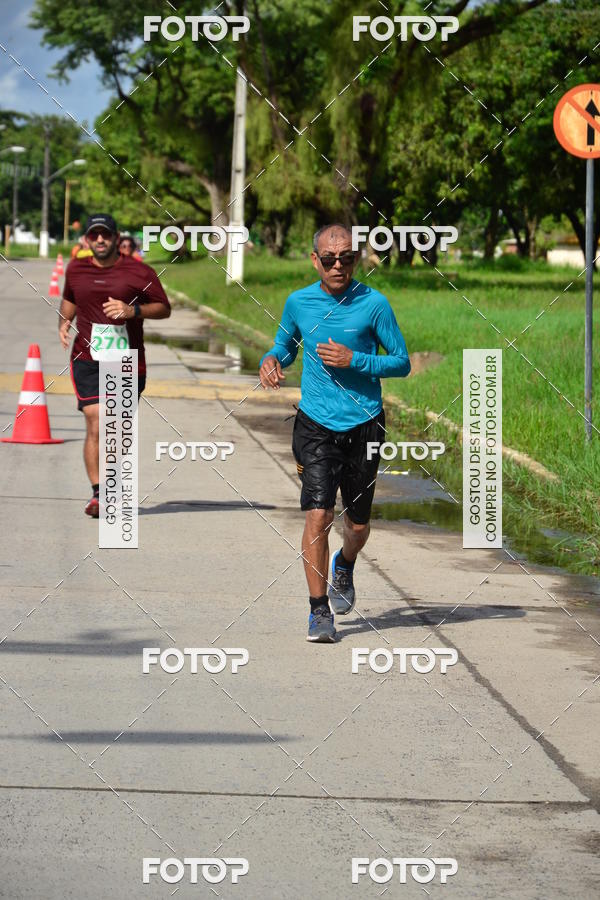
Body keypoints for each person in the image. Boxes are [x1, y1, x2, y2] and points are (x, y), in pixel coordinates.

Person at [259, 224, 411, 643]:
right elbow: (285, 346)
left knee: (357, 527)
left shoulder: (374, 304)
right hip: (315, 424)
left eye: (346, 257)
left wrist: (356, 360)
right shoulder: (298, 302)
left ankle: (345, 564)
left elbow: (401, 362)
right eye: (329, 259)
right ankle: (318, 610)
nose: (338, 265)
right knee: (319, 513)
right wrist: (271, 359)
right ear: (315, 260)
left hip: (365, 424)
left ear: (357, 259)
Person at [58, 214, 171, 517]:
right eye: (94, 234)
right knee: (96, 421)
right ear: (87, 239)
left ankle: (111, 485)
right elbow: (70, 297)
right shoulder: (76, 268)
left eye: (104, 234)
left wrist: (132, 310)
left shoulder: (138, 271)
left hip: (126, 360)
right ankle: (100, 494)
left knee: (117, 431)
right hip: (87, 358)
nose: (99, 240)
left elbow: (163, 308)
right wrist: (64, 322)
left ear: (116, 237)